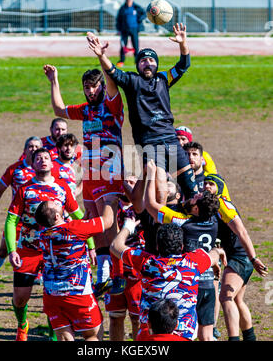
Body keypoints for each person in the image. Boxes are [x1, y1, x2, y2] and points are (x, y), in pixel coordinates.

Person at [87, 24, 198, 205]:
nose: (148, 63)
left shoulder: (164, 78)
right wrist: (101, 55)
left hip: (170, 138)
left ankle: (197, 225)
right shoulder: (132, 81)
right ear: (138, 65)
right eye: (143, 61)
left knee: (192, 189)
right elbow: (112, 71)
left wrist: (183, 43)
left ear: (156, 64)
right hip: (149, 142)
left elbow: (184, 64)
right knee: (160, 190)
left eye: (151, 60)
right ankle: (159, 228)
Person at [43, 63, 125, 297]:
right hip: (89, 170)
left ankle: (119, 274)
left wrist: (102, 57)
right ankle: (104, 277)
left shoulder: (112, 105)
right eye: (86, 87)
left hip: (109, 168)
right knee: (94, 220)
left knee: (109, 221)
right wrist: (54, 81)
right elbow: (59, 109)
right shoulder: (85, 110)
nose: (89, 91)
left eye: (93, 86)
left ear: (101, 86)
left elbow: (112, 84)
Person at [4, 147, 83, 341]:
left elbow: (77, 217)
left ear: (52, 162)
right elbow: (11, 221)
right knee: (20, 298)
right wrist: (12, 250)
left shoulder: (62, 187)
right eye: (38, 158)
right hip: (28, 249)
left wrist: (90, 244)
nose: (43, 160)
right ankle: (22, 324)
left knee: (53, 295)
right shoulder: (25, 189)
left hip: (56, 251)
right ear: (33, 164)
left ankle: (54, 335)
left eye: (46, 157)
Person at [110, 217, 226, 341]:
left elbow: (115, 246)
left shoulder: (146, 262)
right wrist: (218, 251)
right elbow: (213, 255)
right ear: (182, 246)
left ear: (157, 246)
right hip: (183, 335)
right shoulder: (194, 261)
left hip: (148, 334)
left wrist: (128, 226)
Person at [34, 197, 116, 341]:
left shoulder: (42, 236)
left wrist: (82, 222)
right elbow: (108, 221)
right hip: (78, 294)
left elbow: (66, 233)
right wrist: (109, 200)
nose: (58, 202)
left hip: (52, 295)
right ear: (57, 216)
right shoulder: (76, 229)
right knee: (92, 335)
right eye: (55, 204)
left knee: (65, 338)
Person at [204, 173, 269, 341]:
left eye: (211, 184)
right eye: (205, 183)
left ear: (220, 187)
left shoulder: (223, 205)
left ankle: (233, 339)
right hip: (238, 257)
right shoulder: (213, 206)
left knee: (226, 297)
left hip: (241, 257)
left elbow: (242, 231)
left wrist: (253, 259)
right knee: (238, 300)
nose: (206, 186)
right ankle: (250, 337)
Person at [0, 136, 42, 295]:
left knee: (45, 251)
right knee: (4, 250)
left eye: (36, 146)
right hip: (18, 221)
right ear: (24, 150)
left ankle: (45, 284)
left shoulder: (47, 169)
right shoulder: (15, 170)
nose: (33, 149)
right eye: (30, 146)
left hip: (41, 222)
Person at [104, 174, 143, 341]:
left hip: (137, 272)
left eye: (132, 182)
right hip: (115, 271)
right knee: (115, 316)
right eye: (125, 181)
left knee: (137, 319)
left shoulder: (142, 209)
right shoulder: (110, 207)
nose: (127, 185)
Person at [116, 0, 146, 67]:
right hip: (124, 30)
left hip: (134, 29)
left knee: (136, 46)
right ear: (126, 0)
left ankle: (137, 61)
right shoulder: (122, 8)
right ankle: (121, 61)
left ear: (132, 0)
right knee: (123, 46)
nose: (129, 1)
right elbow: (118, 19)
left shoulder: (136, 7)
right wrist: (119, 29)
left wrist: (140, 19)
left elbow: (144, 14)